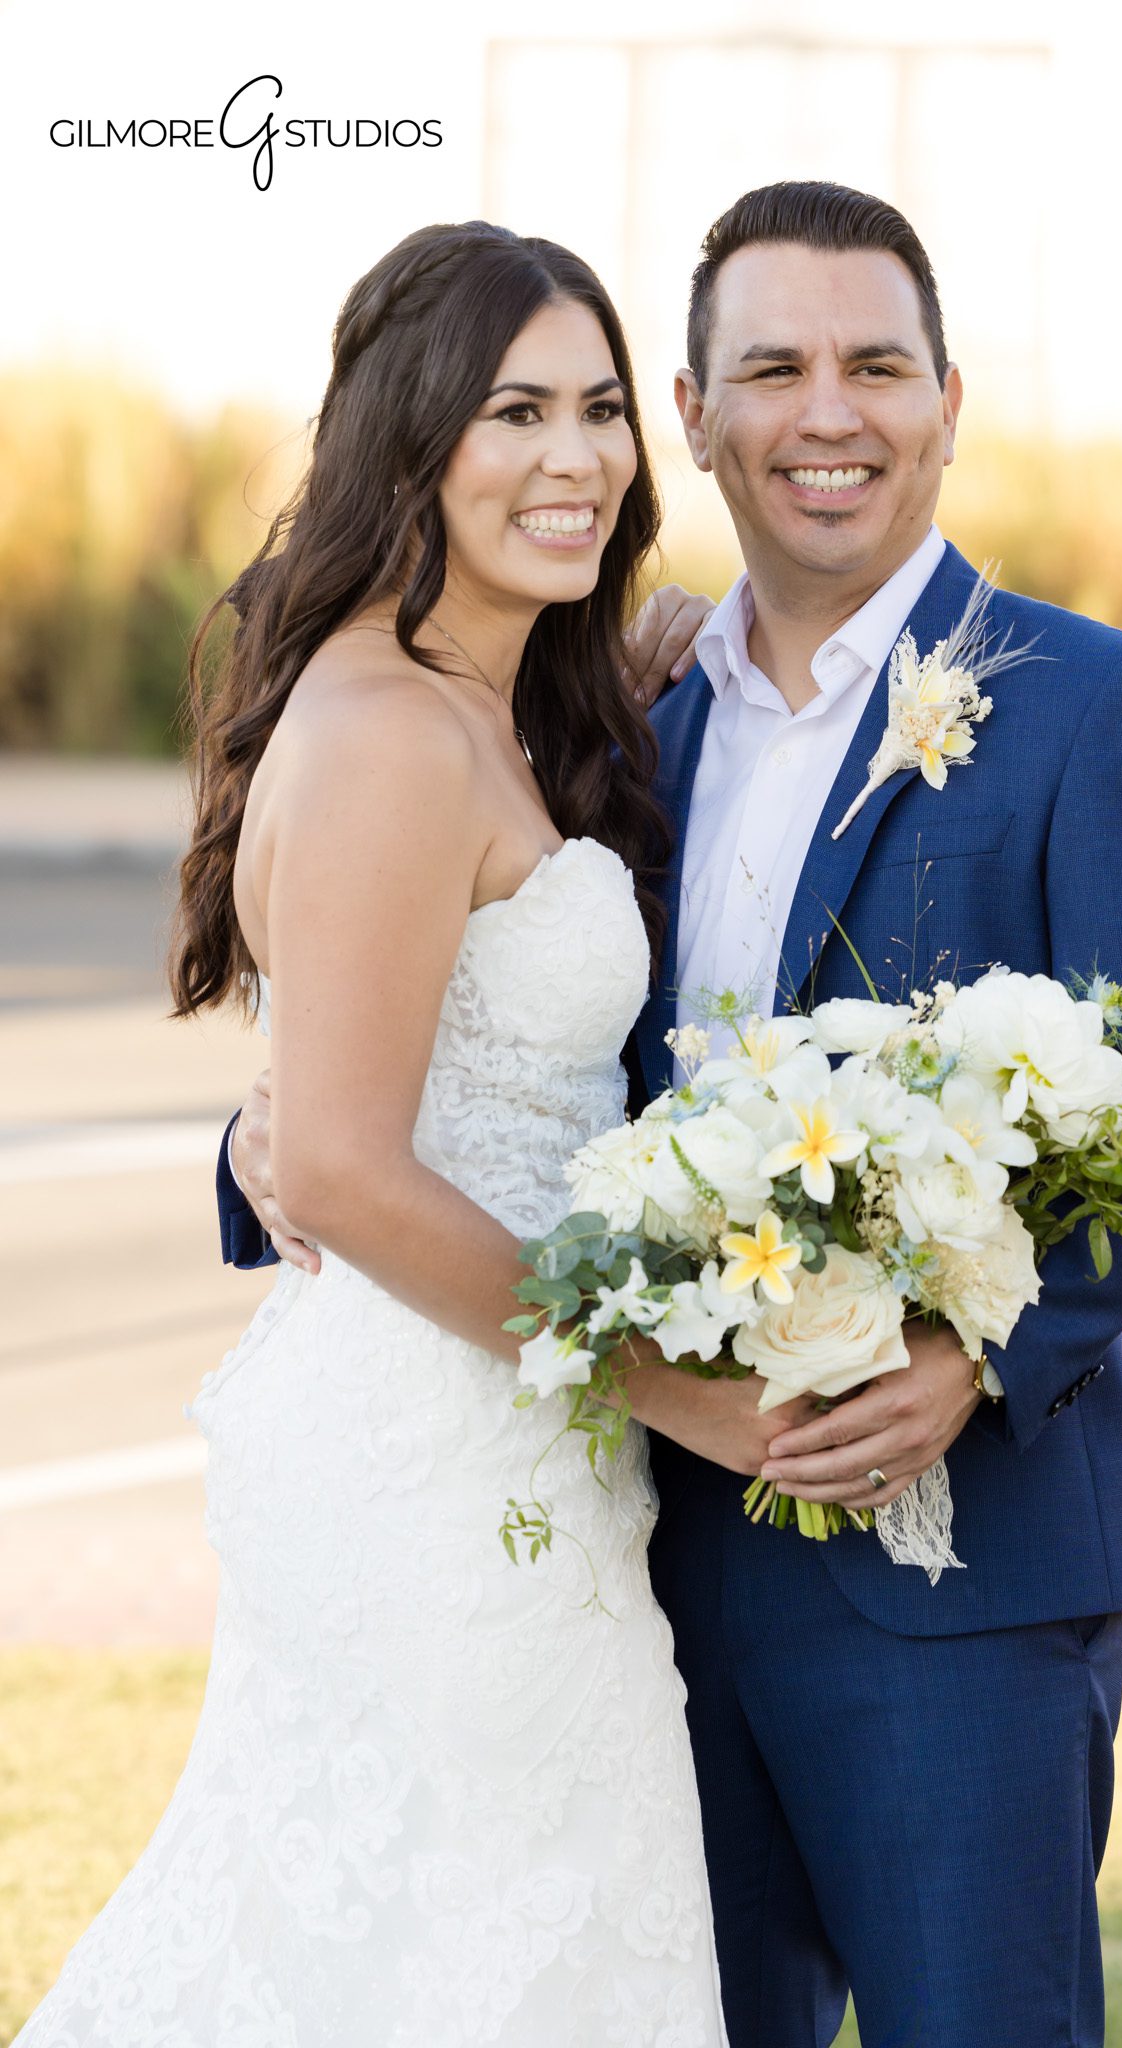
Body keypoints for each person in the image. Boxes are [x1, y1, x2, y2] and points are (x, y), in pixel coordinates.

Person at [222, 184, 1122, 2047]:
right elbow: (455, 1031)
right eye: (770, 368)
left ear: (950, 398)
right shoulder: (616, 720)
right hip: (640, 1562)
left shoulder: (1099, 709)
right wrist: (263, 1147)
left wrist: (975, 1359)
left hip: (956, 1579)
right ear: (696, 417)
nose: (825, 413)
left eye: (875, 365)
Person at [15, 222, 734, 2047]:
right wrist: (675, 1384)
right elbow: (332, 1162)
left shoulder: (483, 704)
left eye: (597, 411)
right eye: (515, 412)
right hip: (437, 1455)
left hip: (499, 1430)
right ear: (409, 441)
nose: (575, 459)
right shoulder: (390, 728)